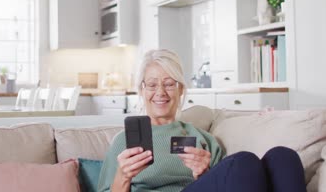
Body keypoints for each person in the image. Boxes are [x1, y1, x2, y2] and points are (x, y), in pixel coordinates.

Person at [97, 49, 306, 192]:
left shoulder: (202, 139)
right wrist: (123, 175)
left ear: (181, 90)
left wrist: (204, 174)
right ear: (142, 90)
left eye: (169, 84)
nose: (160, 92)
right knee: (244, 162)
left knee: (283, 157)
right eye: (152, 85)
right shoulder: (123, 142)